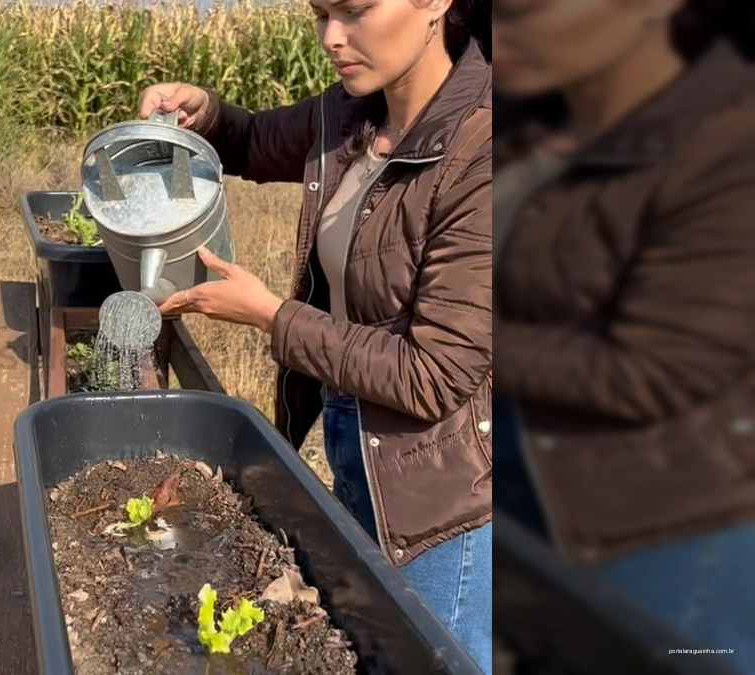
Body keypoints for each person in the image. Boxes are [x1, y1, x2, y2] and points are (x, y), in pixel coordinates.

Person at [137, 0, 493, 670]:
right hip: (355, 446)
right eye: (320, 13)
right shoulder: (352, 113)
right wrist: (204, 113)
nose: (333, 37)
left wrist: (273, 317)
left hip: (443, 504)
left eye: (355, 11)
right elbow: (249, 141)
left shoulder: (483, 151)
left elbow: (434, 374)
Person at [492, 0, 755, 672]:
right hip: (533, 503)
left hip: (661, 537)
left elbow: (654, 367)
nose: (498, 33)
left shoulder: (725, 140)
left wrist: (464, 338)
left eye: (523, 11)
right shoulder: (535, 116)